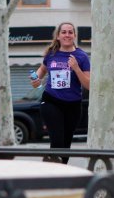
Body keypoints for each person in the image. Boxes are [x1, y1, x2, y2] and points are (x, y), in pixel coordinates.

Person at [30, 22, 90, 164]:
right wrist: (35, 79)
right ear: (58, 36)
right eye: (63, 32)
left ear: (74, 35)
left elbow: (88, 84)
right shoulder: (52, 54)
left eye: (70, 32)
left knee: (66, 143)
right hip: (51, 101)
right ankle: (53, 173)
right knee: (57, 139)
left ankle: (60, 171)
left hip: (73, 105)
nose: (67, 35)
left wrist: (76, 68)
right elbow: (40, 71)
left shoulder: (81, 57)